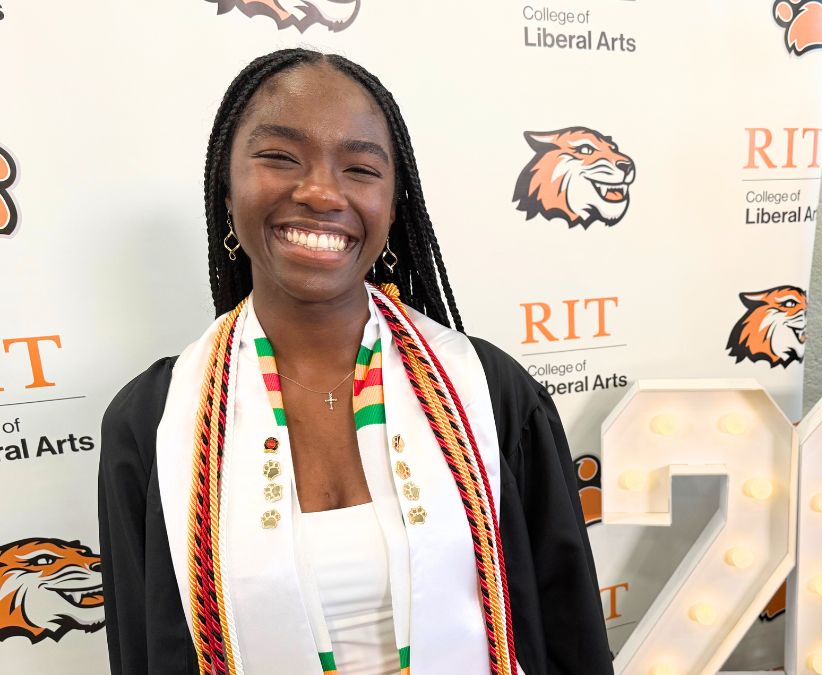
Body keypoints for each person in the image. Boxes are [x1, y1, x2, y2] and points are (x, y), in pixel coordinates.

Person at [97, 48, 612, 675]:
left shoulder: (488, 393)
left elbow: (569, 634)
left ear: (393, 208)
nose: (320, 191)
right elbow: (142, 649)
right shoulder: (154, 423)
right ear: (226, 192)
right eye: (280, 157)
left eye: (361, 168)